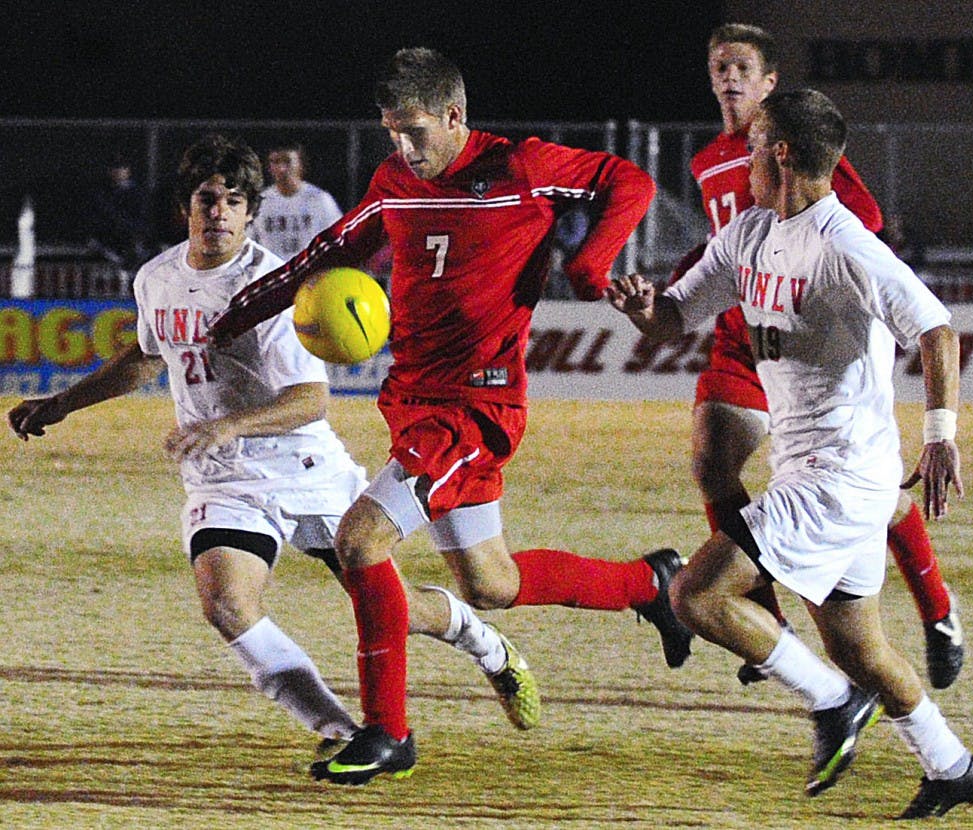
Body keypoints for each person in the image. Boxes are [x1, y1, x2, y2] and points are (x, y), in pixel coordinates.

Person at [208, 48, 690, 786]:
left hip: (477, 407)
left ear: (456, 116)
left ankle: (388, 733)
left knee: (361, 539)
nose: (404, 147)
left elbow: (628, 178)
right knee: (490, 583)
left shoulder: (520, 168)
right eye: (392, 132)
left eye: (416, 130)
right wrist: (240, 313)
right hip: (413, 401)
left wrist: (592, 265)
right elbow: (328, 251)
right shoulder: (396, 181)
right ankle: (652, 586)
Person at [8, 133, 538, 756]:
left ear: (252, 212)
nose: (219, 212)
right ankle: (341, 731)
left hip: (306, 468)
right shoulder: (157, 278)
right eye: (208, 199)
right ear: (187, 207)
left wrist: (227, 423)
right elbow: (148, 357)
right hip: (223, 479)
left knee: (393, 609)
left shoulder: (273, 288)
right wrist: (61, 403)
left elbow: (310, 400)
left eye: (234, 201)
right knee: (228, 605)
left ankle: (485, 643)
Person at [609, 89, 973, 819]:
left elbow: (937, 331)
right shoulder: (750, 235)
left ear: (782, 153)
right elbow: (673, 319)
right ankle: (954, 766)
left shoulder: (845, 244)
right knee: (864, 649)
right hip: (820, 473)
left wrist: (941, 436)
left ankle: (832, 704)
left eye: (754, 144)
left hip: (838, 478)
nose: (742, 156)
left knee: (694, 594)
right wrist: (641, 310)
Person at [672, 23, 963, 689]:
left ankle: (938, 612)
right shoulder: (710, 159)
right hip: (748, 327)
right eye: (719, 66)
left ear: (770, 83)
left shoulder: (808, 156)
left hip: (818, 326)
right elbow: (725, 248)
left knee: (867, 486)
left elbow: (855, 231)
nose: (729, 79)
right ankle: (762, 619)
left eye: (743, 67)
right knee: (710, 464)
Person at [249, 143, 343, 262]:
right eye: (275, 162)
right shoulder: (261, 202)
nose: (281, 168)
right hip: (272, 274)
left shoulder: (320, 200)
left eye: (287, 161)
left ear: (301, 165)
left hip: (310, 272)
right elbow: (247, 242)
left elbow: (337, 239)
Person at [86, 154, 154, 273]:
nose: (118, 171)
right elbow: (103, 216)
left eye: (122, 168)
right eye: (115, 168)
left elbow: (143, 217)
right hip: (110, 237)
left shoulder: (138, 193)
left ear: (128, 171)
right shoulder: (102, 193)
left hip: (132, 235)